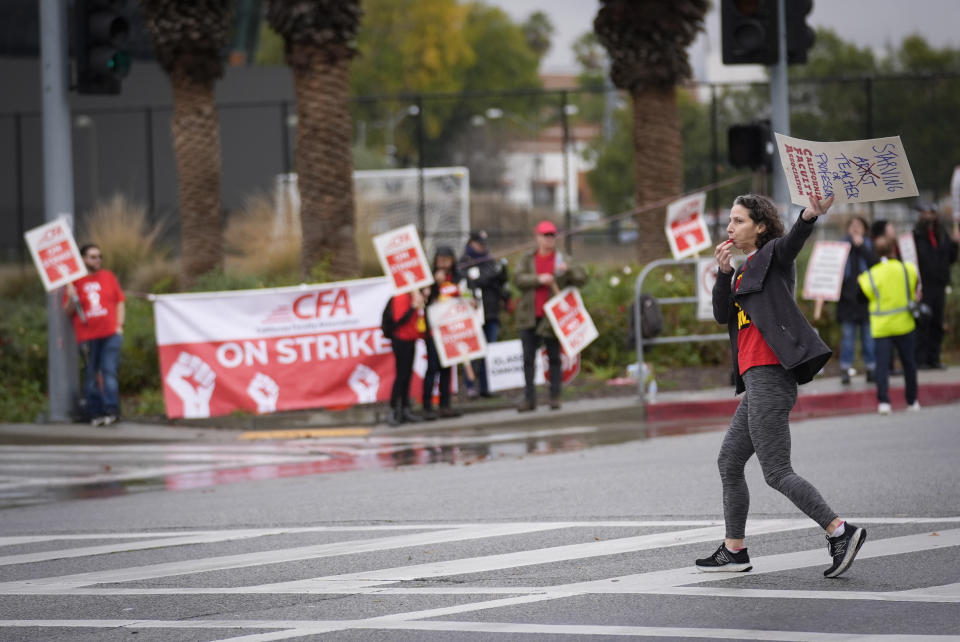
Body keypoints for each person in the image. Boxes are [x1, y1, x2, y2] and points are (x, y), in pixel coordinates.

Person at [696, 194, 866, 579]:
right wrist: (724, 275)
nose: (729, 228)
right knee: (729, 461)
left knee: (776, 471)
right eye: (729, 221)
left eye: (738, 221)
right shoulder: (741, 272)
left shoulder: (773, 256)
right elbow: (723, 314)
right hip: (756, 380)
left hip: (771, 375)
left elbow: (793, 242)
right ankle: (735, 548)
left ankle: (841, 531)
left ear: (759, 226)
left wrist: (808, 215)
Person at [513, 220, 587, 412]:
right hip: (529, 315)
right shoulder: (527, 258)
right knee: (528, 359)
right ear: (537, 237)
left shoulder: (563, 259)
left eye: (552, 235)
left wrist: (568, 271)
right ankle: (529, 398)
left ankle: (555, 396)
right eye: (545, 235)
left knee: (554, 357)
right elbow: (518, 279)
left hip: (553, 318)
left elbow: (582, 277)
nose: (549, 239)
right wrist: (538, 279)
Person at [857, 234, 921, 416]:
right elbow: (915, 288)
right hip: (905, 324)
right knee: (909, 363)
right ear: (894, 249)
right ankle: (913, 401)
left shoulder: (870, 275)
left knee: (882, 366)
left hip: (882, 327)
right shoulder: (908, 269)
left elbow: (860, 298)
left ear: (875, 252)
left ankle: (884, 402)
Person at [62, 244, 125, 426]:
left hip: (111, 333)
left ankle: (112, 409)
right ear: (83, 259)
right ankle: (95, 411)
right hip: (88, 336)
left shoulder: (108, 277)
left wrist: (119, 325)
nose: (97, 260)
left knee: (109, 371)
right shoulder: (75, 281)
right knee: (91, 374)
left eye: (99, 256)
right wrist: (71, 296)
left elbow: (120, 301)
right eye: (92, 257)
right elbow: (67, 311)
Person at [459, 229, 509, 398]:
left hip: (491, 312)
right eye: (479, 244)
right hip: (472, 315)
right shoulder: (464, 261)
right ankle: (470, 386)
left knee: (489, 351)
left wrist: (502, 274)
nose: (482, 247)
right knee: (473, 352)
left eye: (484, 244)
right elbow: (469, 283)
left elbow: (497, 282)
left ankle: (486, 387)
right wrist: (489, 276)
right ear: (471, 243)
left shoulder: (489, 260)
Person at [912, 202, 960, 370]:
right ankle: (921, 359)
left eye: (927, 213)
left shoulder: (942, 235)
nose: (924, 216)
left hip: (939, 285)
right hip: (923, 286)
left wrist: (955, 244)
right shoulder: (916, 236)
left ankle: (934, 358)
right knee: (923, 321)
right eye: (922, 213)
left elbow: (950, 259)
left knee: (936, 323)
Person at [422, 246, 463, 420]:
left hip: (450, 331)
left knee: (447, 368)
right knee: (433, 369)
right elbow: (426, 302)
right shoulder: (429, 279)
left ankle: (445, 405)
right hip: (434, 331)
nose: (444, 263)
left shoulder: (457, 279)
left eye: (447, 259)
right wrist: (435, 285)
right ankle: (427, 406)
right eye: (441, 259)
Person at [837, 216, 877, 385]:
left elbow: (875, 265)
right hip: (847, 300)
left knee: (868, 338)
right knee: (848, 337)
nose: (855, 228)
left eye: (859, 225)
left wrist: (861, 247)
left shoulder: (869, 245)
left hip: (866, 299)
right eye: (852, 224)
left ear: (864, 229)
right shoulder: (840, 247)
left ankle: (871, 369)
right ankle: (846, 370)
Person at [386, 289, 426, 426]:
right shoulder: (401, 297)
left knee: (407, 375)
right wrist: (413, 307)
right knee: (401, 376)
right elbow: (400, 320)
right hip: (401, 340)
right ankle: (393, 410)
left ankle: (405, 409)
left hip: (411, 339)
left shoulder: (414, 296)